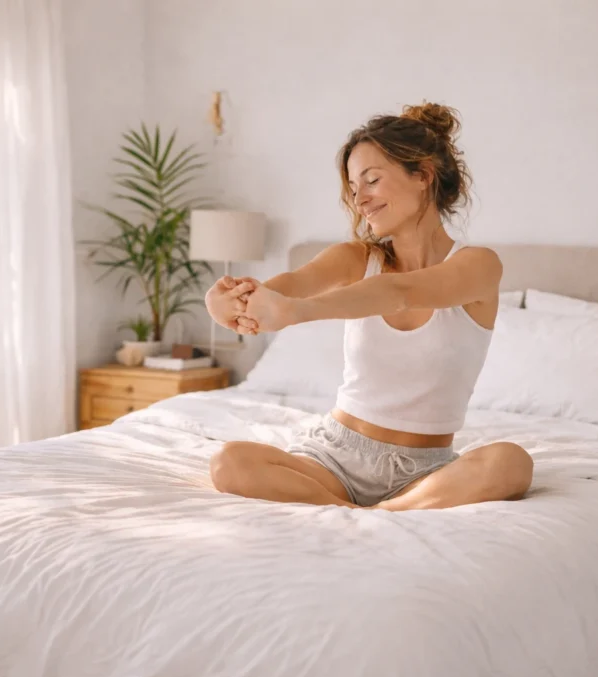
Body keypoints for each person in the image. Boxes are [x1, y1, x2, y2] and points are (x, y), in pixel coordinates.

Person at [203, 102, 533, 511]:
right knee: (230, 463)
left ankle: (381, 514)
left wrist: (296, 312)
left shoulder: (478, 266)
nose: (359, 199)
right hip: (335, 459)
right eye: (353, 188)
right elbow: (285, 288)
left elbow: (402, 291)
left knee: (511, 464)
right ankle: (359, 513)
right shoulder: (355, 257)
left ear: (424, 176)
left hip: (425, 472)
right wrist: (230, 304)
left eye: (371, 180)